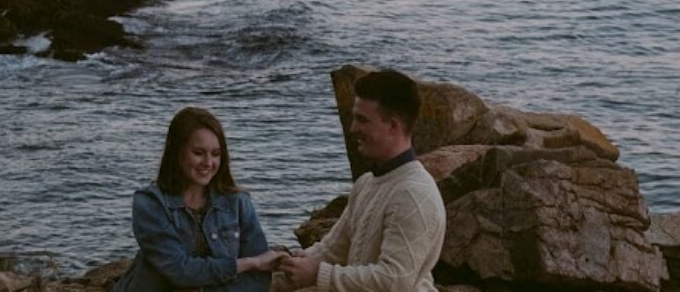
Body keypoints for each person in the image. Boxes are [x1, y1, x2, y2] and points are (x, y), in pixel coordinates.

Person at [277, 69, 446, 291]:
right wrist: (284, 264)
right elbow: (332, 250)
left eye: (362, 120)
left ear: (393, 126)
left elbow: (394, 280)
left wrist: (318, 275)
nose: (352, 128)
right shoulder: (366, 183)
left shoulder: (413, 193)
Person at [114, 107, 288, 292]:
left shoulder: (238, 202)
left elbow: (259, 277)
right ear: (176, 152)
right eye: (198, 153)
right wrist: (248, 263)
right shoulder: (150, 203)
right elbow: (180, 270)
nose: (208, 162)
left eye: (215, 154)